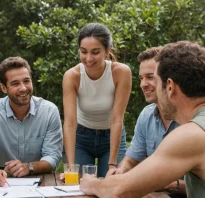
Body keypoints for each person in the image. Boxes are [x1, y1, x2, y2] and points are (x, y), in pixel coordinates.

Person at [80, 41, 205, 198]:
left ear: (170, 87)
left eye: (156, 81)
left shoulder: (193, 134)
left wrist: (91, 183)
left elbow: (119, 191)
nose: (144, 85)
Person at [106, 47, 186, 196]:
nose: (143, 84)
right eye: (141, 78)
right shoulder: (146, 115)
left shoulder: (190, 117)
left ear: (168, 80)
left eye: (150, 77)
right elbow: (130, 160)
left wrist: (170, 184)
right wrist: (120, 171)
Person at [0, 56, 63, 186]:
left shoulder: (49, 111)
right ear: (3, 88)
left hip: (41, 179)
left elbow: (52, 158)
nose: (23, 88)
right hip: (3, 181)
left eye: (26, 81)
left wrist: (29, 167)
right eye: (15, 83)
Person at [62, 22, 131, 177]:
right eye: (83, 51)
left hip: (111, 138)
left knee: (111, 182)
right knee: (77, 183)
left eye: (95, 52)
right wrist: (71, 166)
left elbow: (117, 119)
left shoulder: (121, 72)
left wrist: (112, 164)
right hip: (81, 138)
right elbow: (70, 123)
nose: (88, 58)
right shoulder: (72, 76)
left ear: (107, 51)